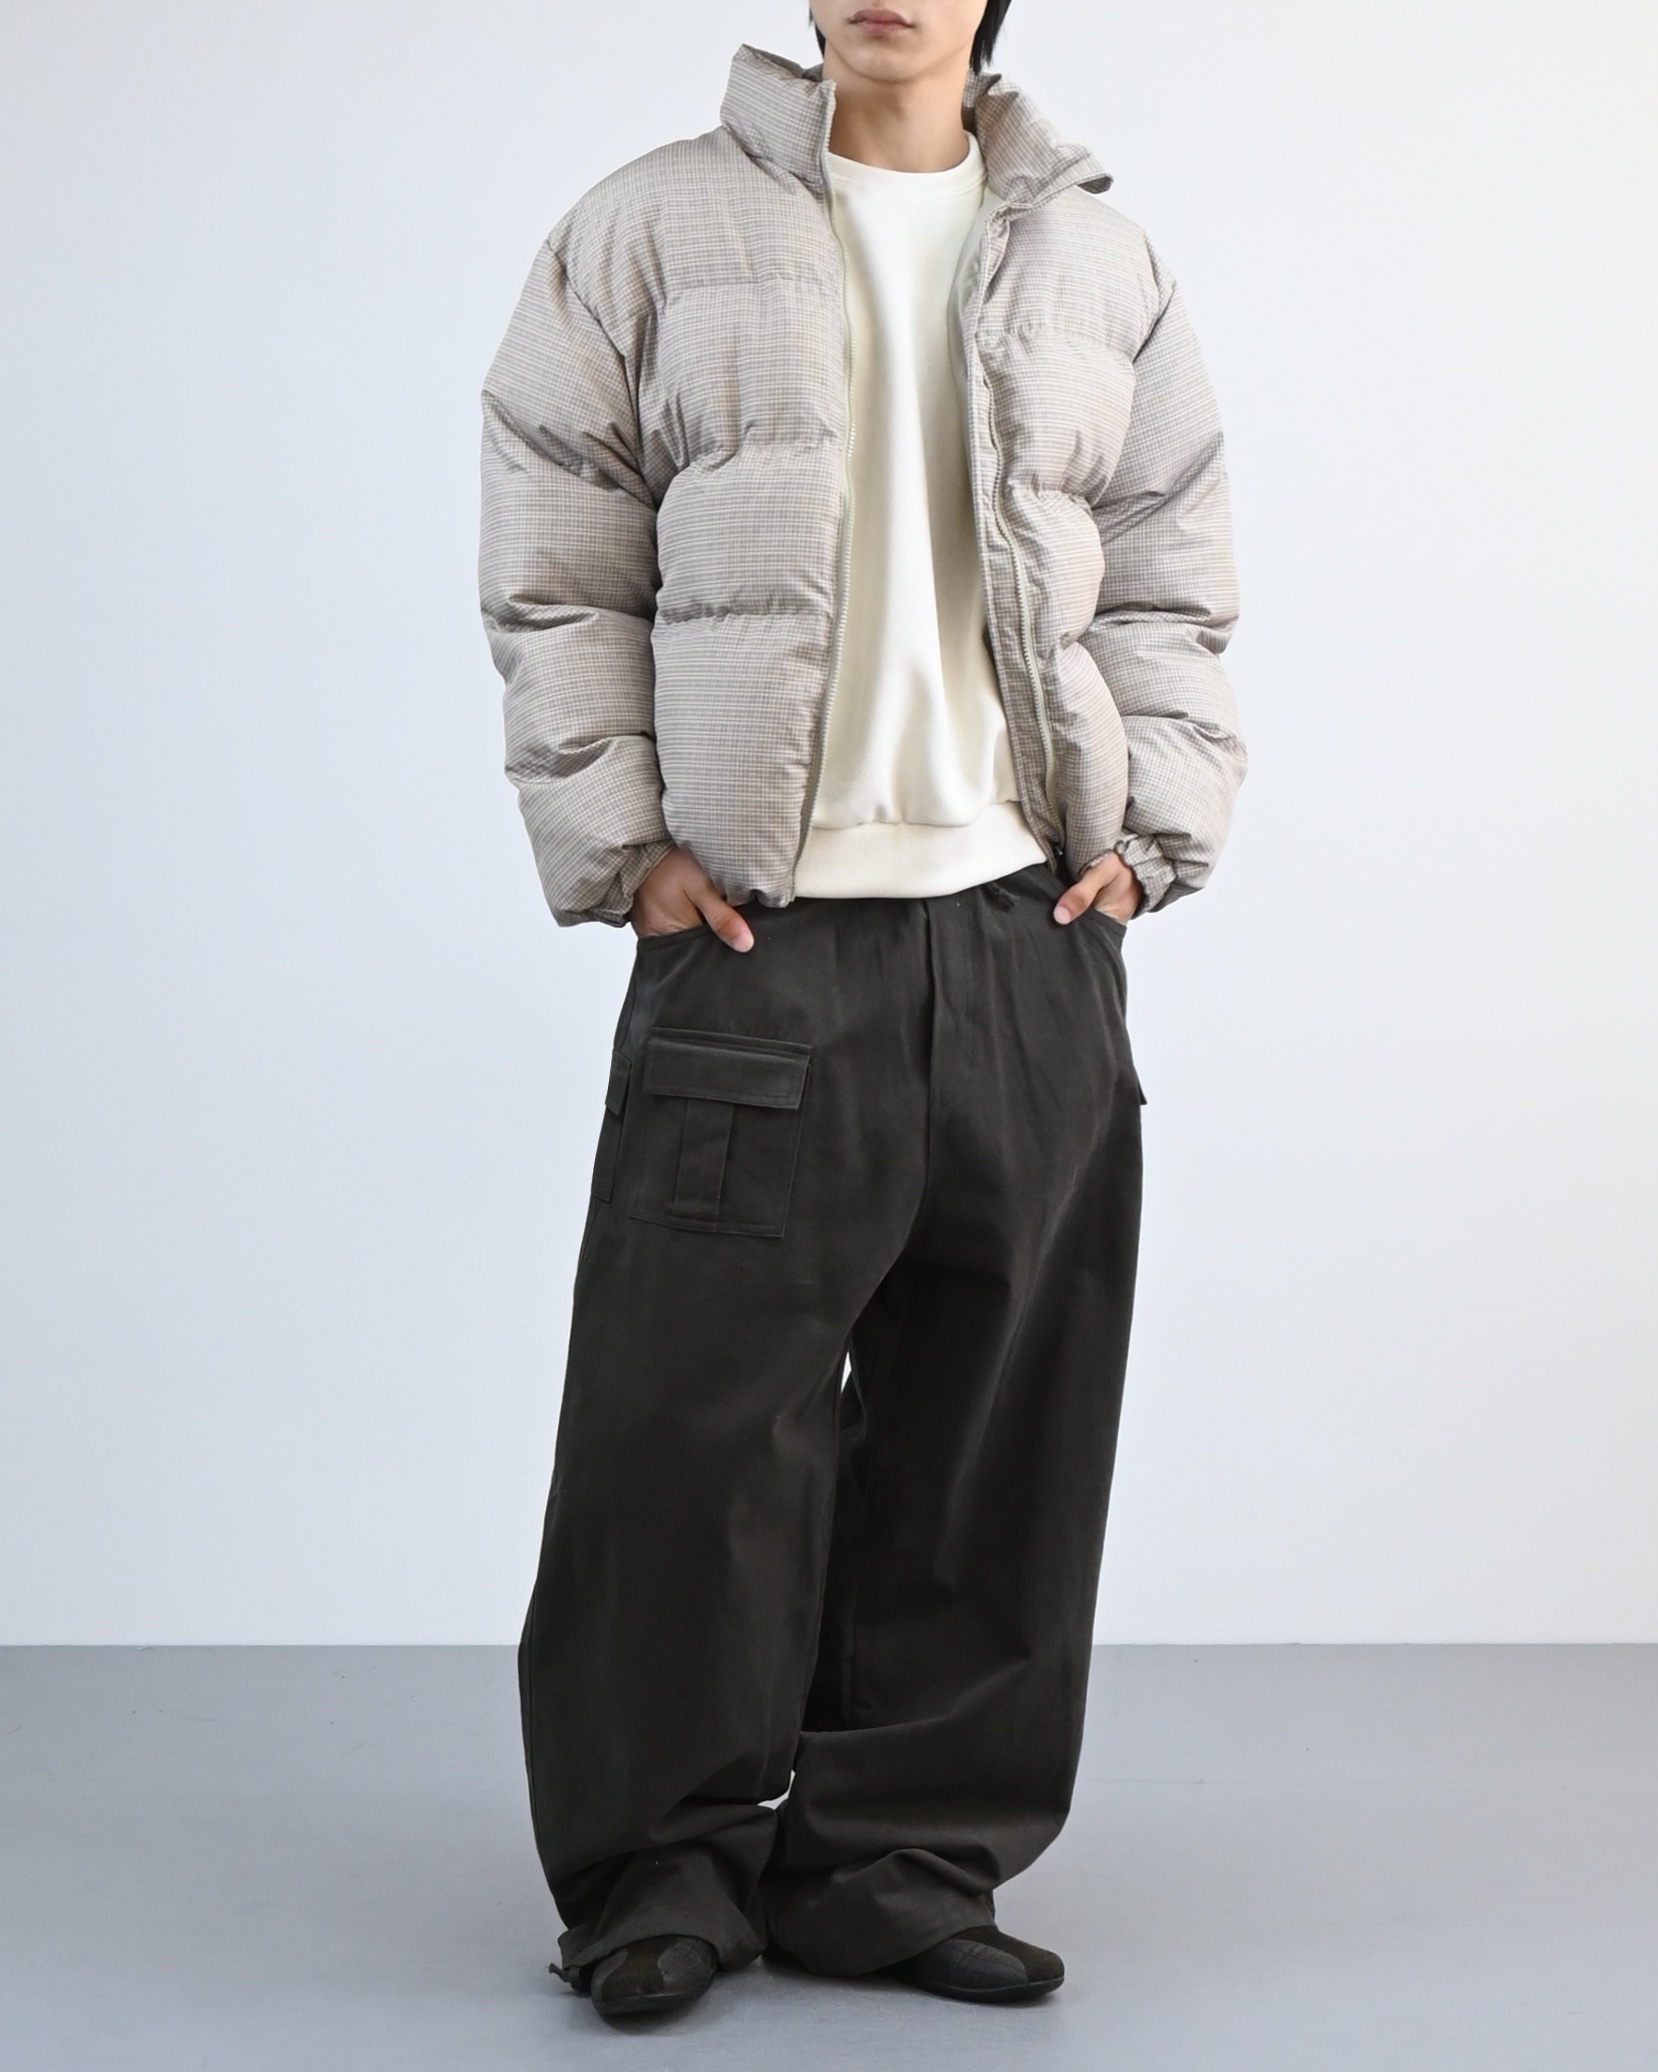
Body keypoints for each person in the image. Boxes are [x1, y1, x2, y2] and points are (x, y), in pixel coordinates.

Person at [479, 0, 1243, 2026]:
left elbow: (1168, 565)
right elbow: (556, 549)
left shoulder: (1098, 256)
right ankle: (659, 1867)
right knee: (687, 1426)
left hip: (1024, 927)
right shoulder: (648, 226)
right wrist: (624, 836)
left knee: (995, 1424)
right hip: (760, 932)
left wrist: (1152, 826)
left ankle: (897, 1860)